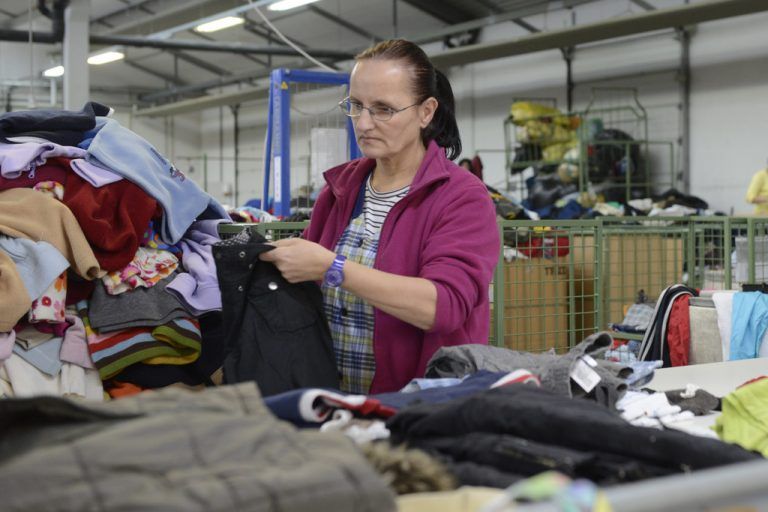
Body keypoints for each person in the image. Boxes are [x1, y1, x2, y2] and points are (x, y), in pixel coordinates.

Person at [260, 39, 500, 394]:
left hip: (417, 406)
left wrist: (333, 267)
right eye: (356, 106)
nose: (364, 123)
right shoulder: (340, 190)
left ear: (426, 111)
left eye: (383, 109)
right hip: (332, 399)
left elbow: (442, 306)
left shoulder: (461, 197)